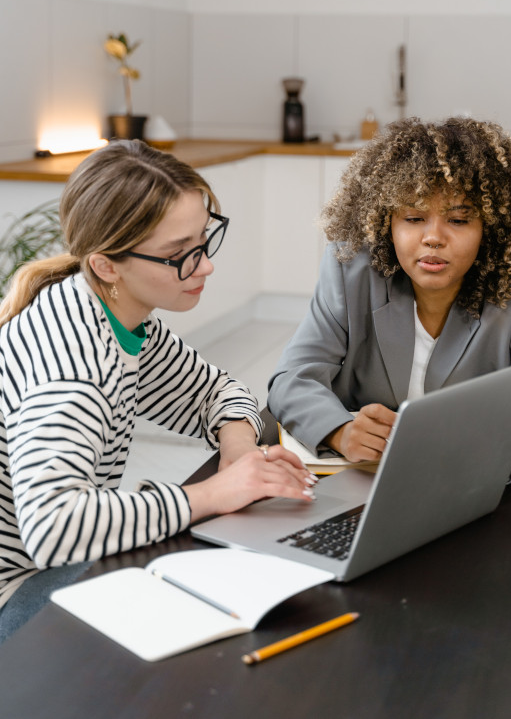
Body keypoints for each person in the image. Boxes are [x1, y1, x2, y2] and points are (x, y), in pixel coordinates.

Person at [0, 140, 316, 643]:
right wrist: (210, 493)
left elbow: (217, 390)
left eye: (203, 241)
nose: (205, 266)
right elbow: (54, 527)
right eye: (179, 256)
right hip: (17, 595)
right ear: (107, 265)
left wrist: (237, 450)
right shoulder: (73, 372)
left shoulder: (118, 316)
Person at [268, 116, 511, 478]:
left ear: (489, 228)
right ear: (386, 223)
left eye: (458, 220)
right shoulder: (351, 273)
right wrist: (339, 431)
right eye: (413, 217)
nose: (433, 238)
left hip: (470, 492)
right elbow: (292, 378)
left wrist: (479, 455)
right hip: (362, 484)